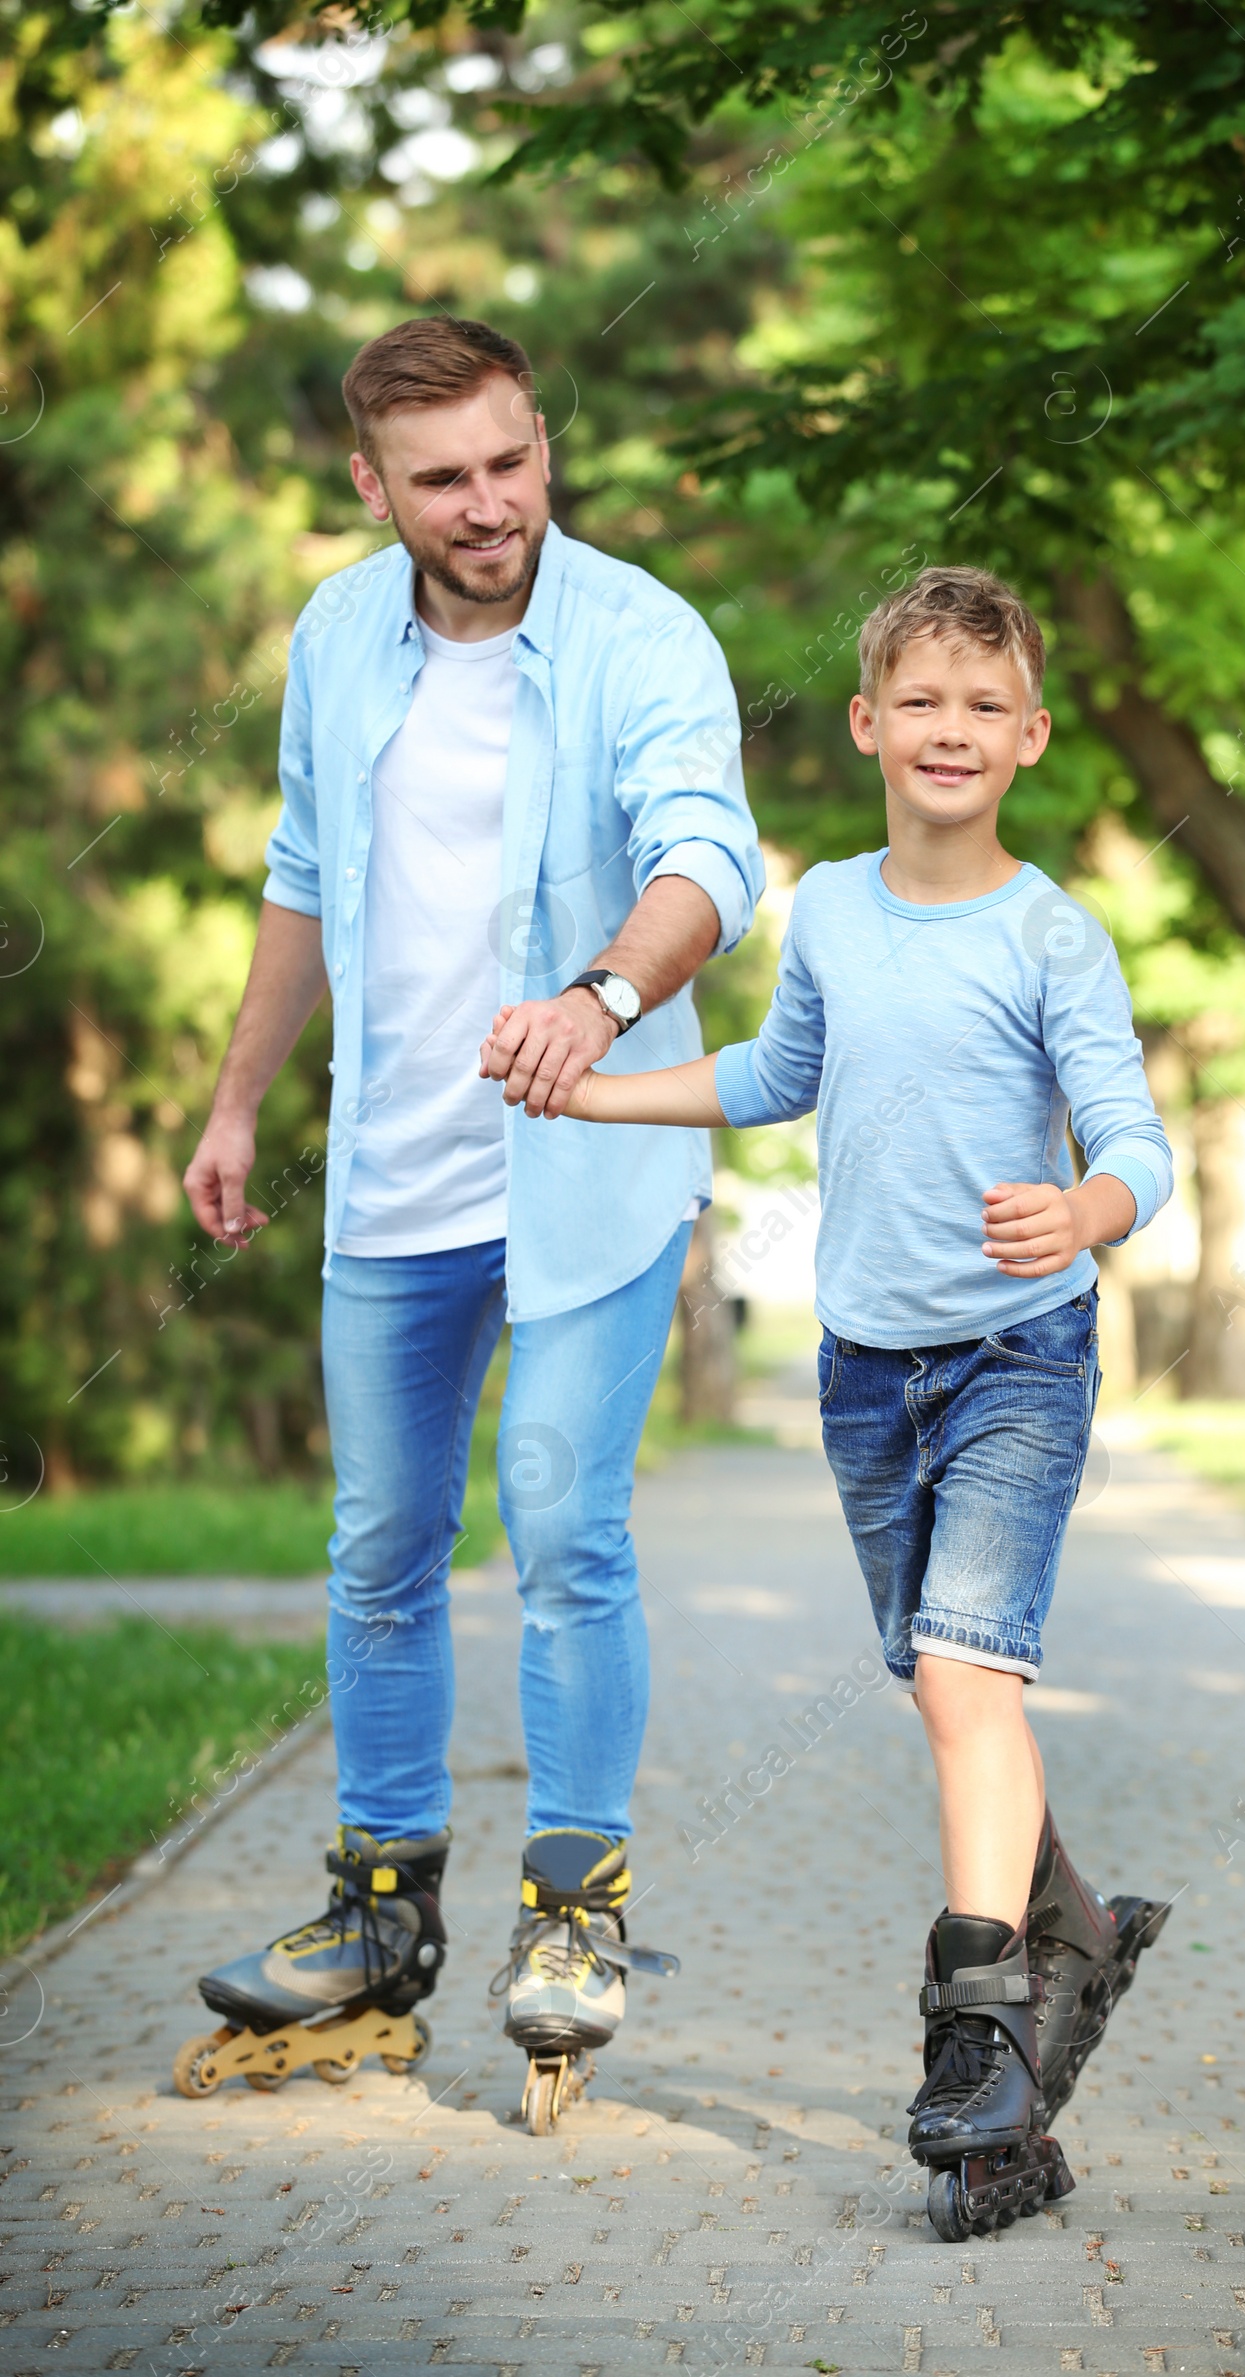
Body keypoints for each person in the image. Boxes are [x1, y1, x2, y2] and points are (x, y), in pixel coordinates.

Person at [483, 564, 1174, 2229]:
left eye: (982, 708)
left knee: (964, 1667)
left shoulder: (1050, 932)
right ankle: (1066, 1919)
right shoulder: (835, 913)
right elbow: (775, 1077)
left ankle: (978, 2027)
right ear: (869, 723)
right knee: (950, 1694)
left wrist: (1084, 1211)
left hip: (1021, 1357)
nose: (950, 730)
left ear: (1031, 738)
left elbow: (1138, 1140)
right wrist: (597, 1097)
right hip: (868, 1370)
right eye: (918, 702)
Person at [177, 317, 763, 2126]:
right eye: (444, 478)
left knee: (566, 1527)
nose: (491, 502)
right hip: (396, 1173)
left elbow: (708, 862)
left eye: (513, 461)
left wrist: (595, 997)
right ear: (372, 486)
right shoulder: (337, 635)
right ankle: (378, 1915)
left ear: (540, 446)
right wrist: (239, 1098)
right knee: (377, 1547)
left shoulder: (643, 633)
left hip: (588, 1167)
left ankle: (575, 1914)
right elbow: (298, 880)